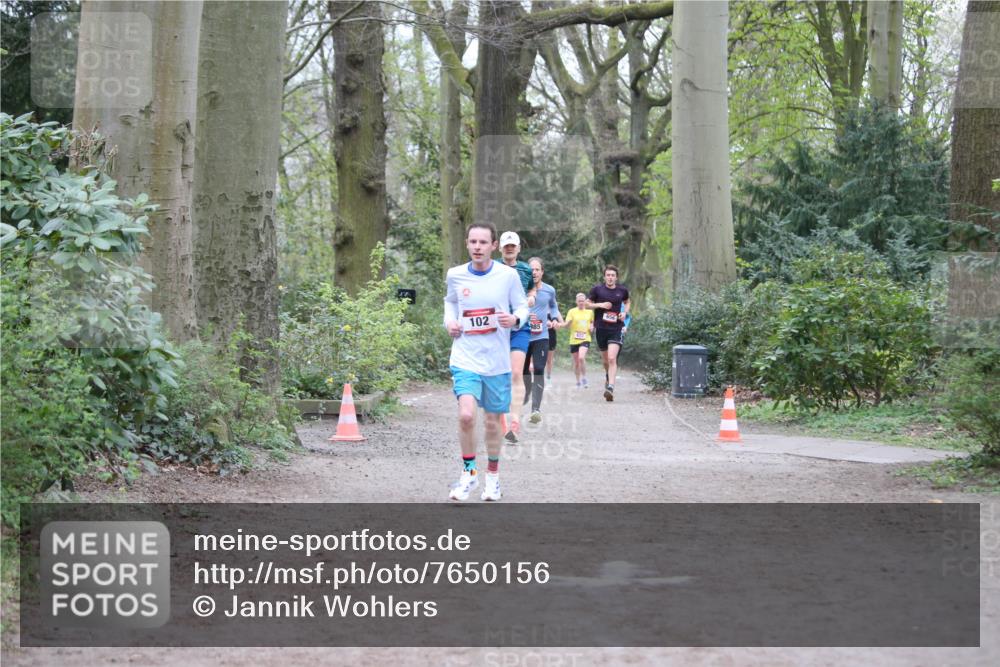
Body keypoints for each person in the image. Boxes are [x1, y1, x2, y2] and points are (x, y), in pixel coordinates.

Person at [444, 223, 529, 501]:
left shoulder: (507, 275)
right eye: (473, 242)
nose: (477, 247)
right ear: (467, 244)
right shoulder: (455, 275)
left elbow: (521, 306)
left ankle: (492, 477)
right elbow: (450, 303)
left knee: (493, 422)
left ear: (493, 246)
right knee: (467, 415)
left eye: (483, 242)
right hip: (465, 356)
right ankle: (469, 473)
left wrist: (515, 319)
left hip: (496, 361)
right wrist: (450, 322)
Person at [499, 231, 534, 444]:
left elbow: (532, 290)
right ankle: (502, 420)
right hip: (499, 328)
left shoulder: (525, 269)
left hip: (520, 326)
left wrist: (531, 298)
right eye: (506, 246)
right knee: (500, 375)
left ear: (519, 248)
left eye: (513, 246)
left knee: (515, 373)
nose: (510, 249)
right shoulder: (492, 267)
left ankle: (514, 421)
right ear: (500, 248)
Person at [523, 257, 562, 423]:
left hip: (542, 336)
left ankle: (535, 409)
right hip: (523, 335)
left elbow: (553, 306)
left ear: (542, 272)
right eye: (531, 269)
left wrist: (554, 318)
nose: (534, 272)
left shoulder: (549, 290)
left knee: (539, 368)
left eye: (537, 269)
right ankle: (527, 390)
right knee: (523, 371)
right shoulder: (521, 288)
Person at [585, 265, 630, 402]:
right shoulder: (597, 290)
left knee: (611, 358)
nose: (610, 277)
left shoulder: (622, 290)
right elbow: (587, 304)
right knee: (605, 360)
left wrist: (624, 312)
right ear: (604, 277)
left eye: (612, 275)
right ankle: (607, 375)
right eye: (608, 275)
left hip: (616, 329)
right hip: (601, 329)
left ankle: (610, 387)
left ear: (616, 277)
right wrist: (600, 305)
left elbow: (627, 302)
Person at [561, 292, 595, 388]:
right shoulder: (571, 311)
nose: (581, 303)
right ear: (576, 301)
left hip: (585, 338)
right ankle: (578, 381)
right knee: (576, 363)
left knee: (581, 358)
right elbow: (566, 325)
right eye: (579, 301)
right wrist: (567, 323)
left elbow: (592, 323)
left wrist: (592, 327)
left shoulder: (590, 312)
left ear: (585, 301)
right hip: (574, 340)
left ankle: (584, 378)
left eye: (582, 301)